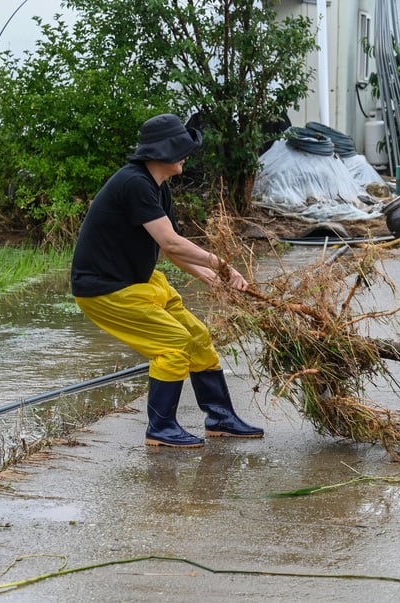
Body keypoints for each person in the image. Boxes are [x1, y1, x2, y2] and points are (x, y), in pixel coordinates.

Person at [70, 113, 263, 448]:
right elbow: (173, 243)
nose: (186, 155)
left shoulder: (157, 186)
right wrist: (222, 266)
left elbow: (168, 244)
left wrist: (206, 276)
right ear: (163, 153)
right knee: (173, 344)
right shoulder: (133, 184)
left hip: (140, 282)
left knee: (197, 336)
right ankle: (160, 428)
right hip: (105, 289)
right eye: (182, 149)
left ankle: (220, 418)